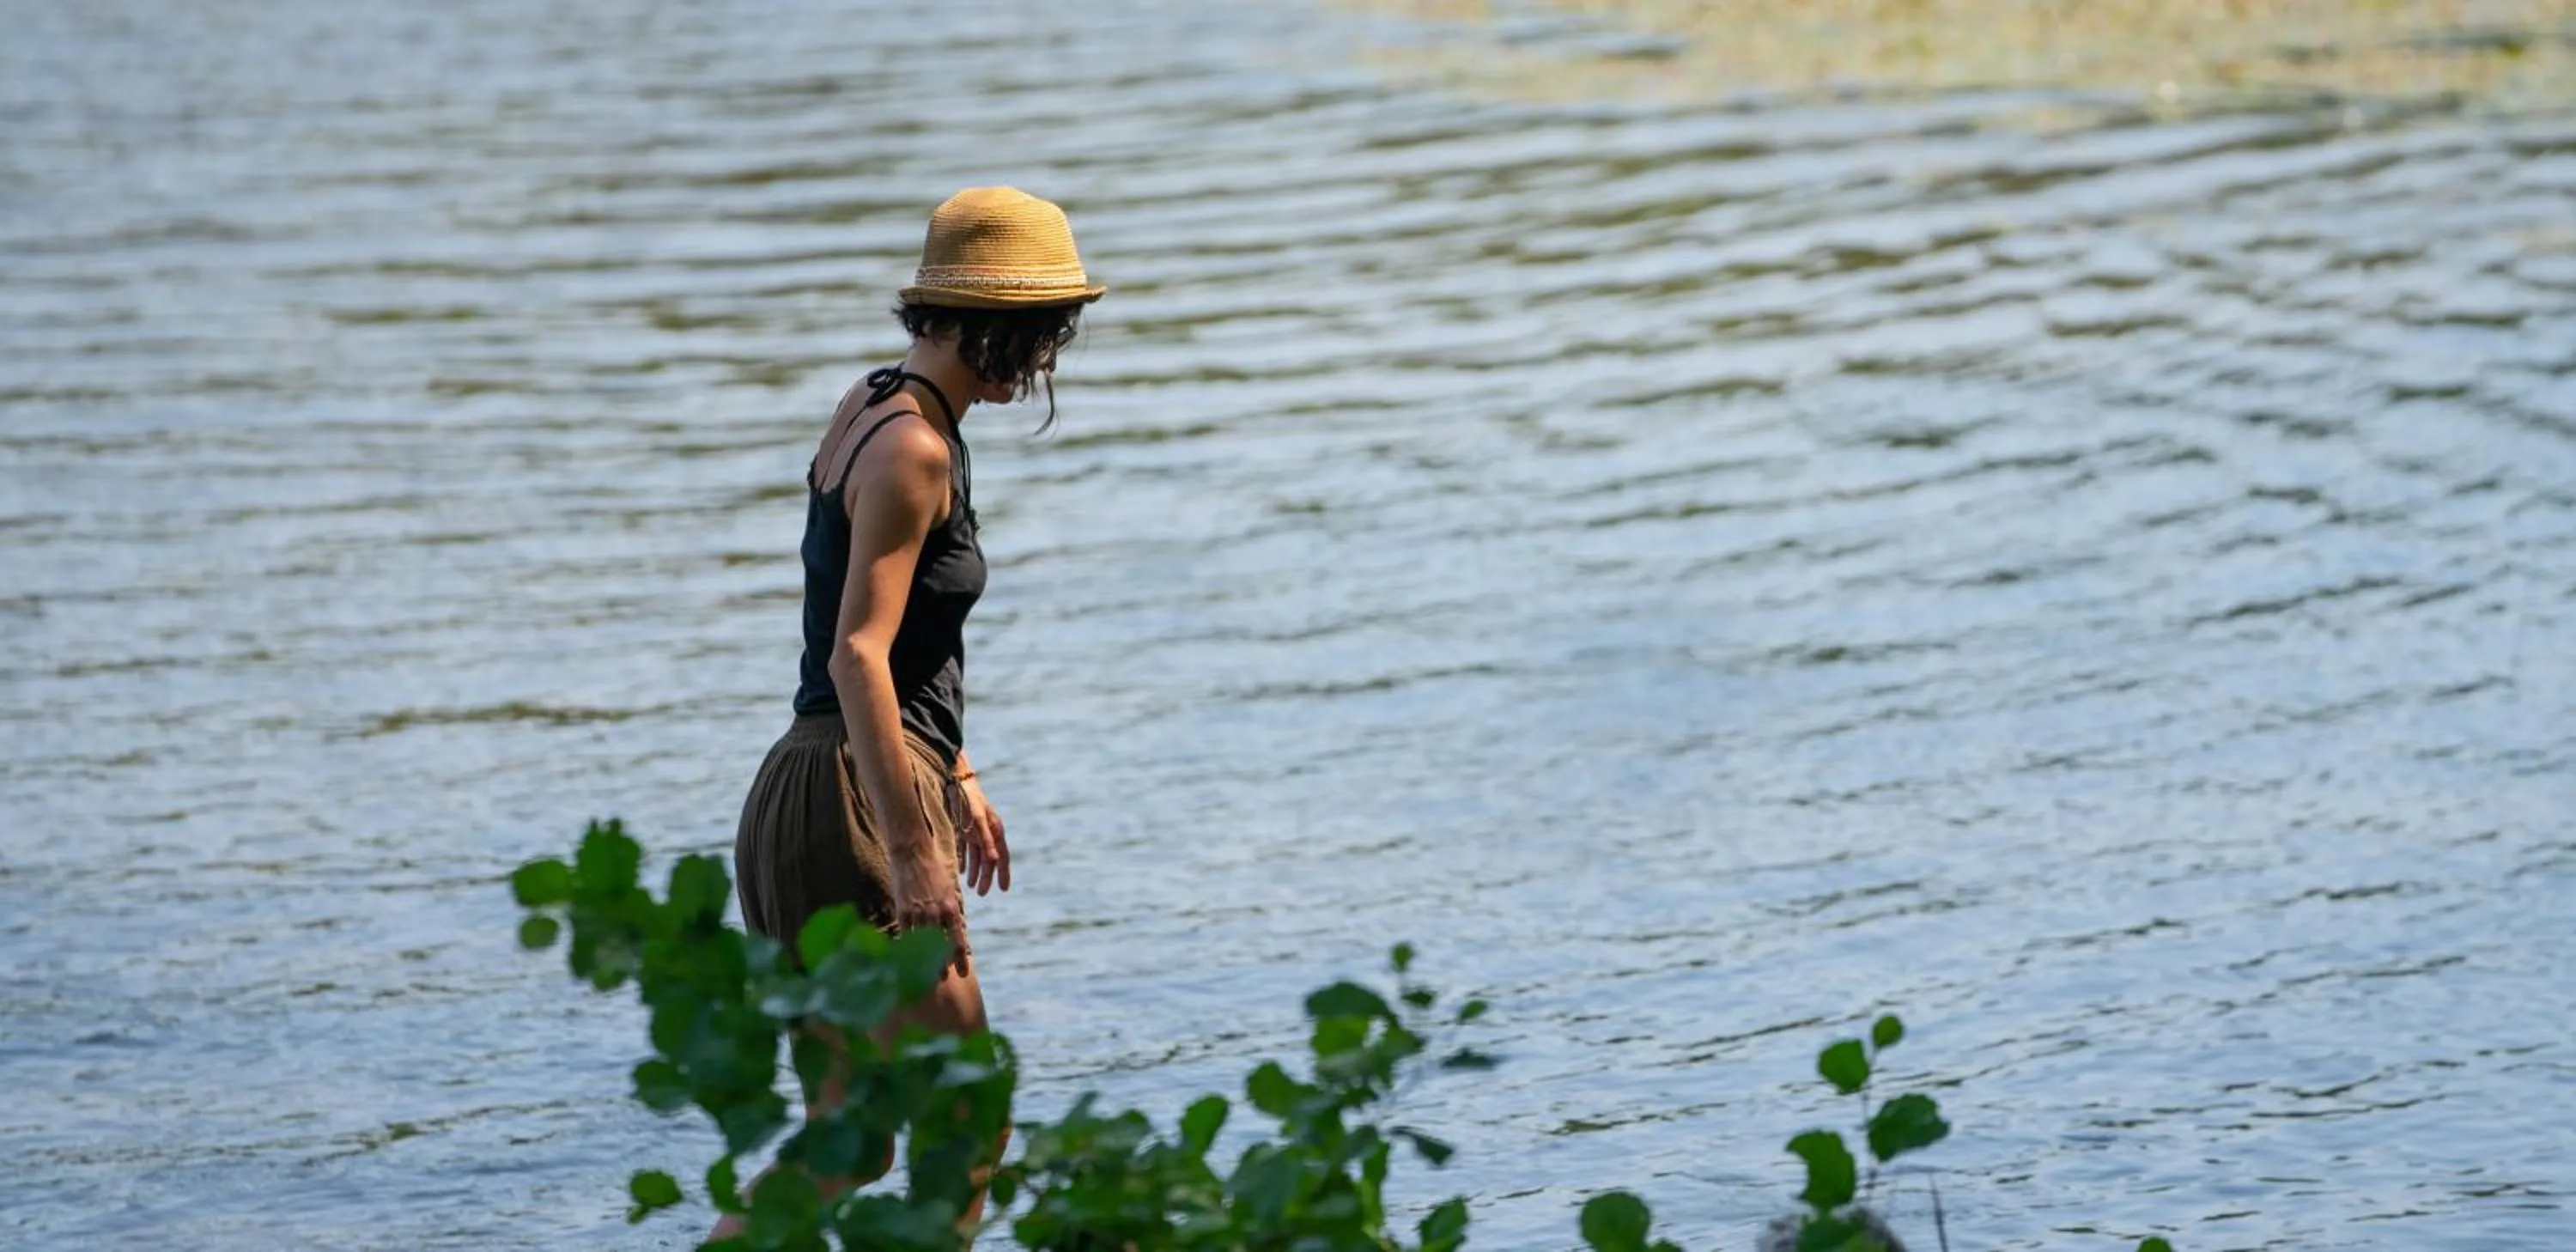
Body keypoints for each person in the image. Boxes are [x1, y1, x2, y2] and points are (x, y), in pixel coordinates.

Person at [717, 186, 1103, 1243]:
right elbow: (856, 655)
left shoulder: (878, 402)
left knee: (855, 1136)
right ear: (1010, 326)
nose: (1045, 359)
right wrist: (912, 848)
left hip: (811, 786)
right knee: (967, 1116)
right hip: (851, 800)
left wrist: (959, 773)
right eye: (1045, 332)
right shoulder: (916, 450)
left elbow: (897, 645)